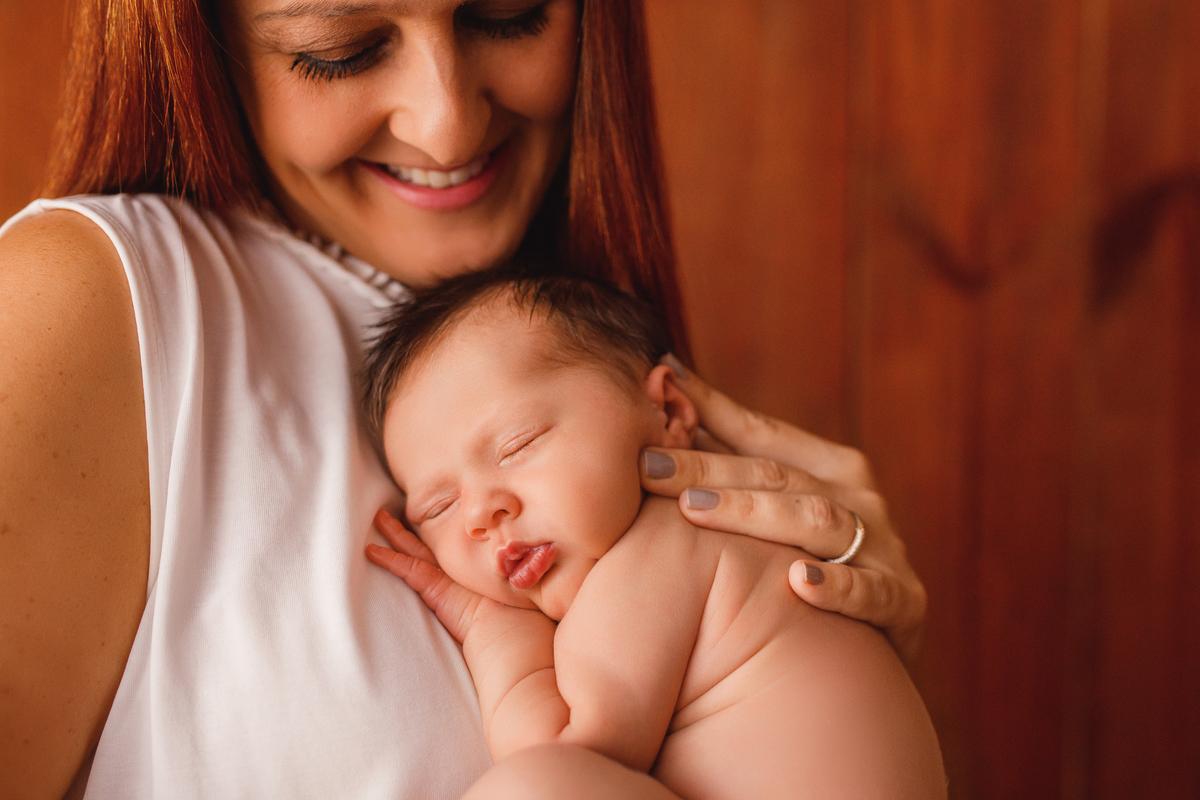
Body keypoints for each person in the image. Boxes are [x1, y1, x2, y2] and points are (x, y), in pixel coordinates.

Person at [0, 0, 927, 797]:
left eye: (505, 13)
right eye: (341, 48)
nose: (445, 124)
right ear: (202, 41)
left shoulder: (592, 392)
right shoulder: (96, 304)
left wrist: (836, 651)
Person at [362, 268, 947, 799]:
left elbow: (561, 748)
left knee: (530, 788)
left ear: (667, 412)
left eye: (518, 445)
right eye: (439, 507)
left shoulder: (666, 542)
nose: (481, 514)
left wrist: (491, 629)